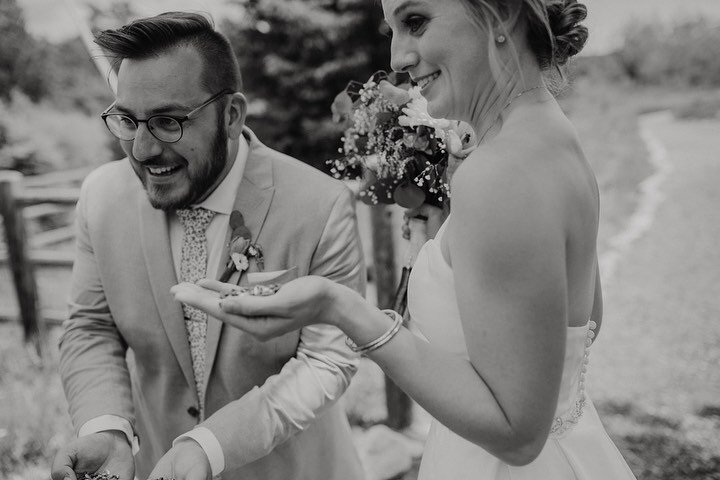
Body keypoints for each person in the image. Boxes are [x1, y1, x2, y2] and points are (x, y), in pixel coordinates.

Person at [173, 1, 639, 479]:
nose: (397, 57)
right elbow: (580, 325)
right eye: (392, 29)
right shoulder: (551, 134)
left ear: (501, 15)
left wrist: (341, 308)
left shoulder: (498, 175)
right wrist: (450, 240)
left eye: (415, 22)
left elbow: (517, 433)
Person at [51, 12, 367, 480]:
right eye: (127, 120)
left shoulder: (321, 207)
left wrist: (212, 445)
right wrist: (107, 428)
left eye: (167, 122)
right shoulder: (101, 198)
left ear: (232, 115)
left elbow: (328, 360)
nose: (141, 149)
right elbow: (91, 326)